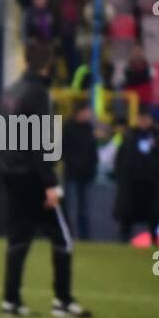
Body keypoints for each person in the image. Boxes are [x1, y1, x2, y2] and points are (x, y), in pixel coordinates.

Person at [0, 44, 91, 318]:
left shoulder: (11, 92)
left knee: (18, 240)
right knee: (63, 239)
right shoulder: (39, 94)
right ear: (47, 64)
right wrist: (50, 182)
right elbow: (40, 141)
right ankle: (62, 301)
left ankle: (10, 301)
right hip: (35, 177)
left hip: (13, 174)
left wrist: (6, 169)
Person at [113, 108, 159, 248]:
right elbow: (120, 159)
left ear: (151, 120)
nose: (143, 121)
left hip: (152, 185)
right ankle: (124, 238)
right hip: (132, 184)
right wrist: (120, 176)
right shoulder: (130, 136)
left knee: (153, 214)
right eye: (141, 118)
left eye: (146, 118)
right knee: (128, 213)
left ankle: (154, 238)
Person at [61, 102, 99, 240]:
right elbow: (63, 150)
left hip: (86, 174)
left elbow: (92, 152)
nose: (89, 114)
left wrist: (92, 167)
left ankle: (84, 236)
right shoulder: (68, 128)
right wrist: (74, 164)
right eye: (86, 111)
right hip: (72, 174)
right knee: (70, 207)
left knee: (84, 208)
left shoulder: (89, 128)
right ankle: (67, 234)